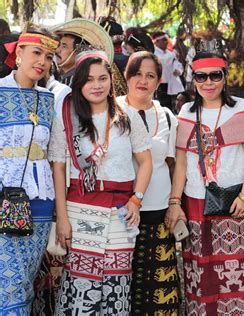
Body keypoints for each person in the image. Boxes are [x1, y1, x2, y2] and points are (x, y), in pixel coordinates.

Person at [49, 50, 152, 314]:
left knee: (118, 281)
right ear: (79, 83)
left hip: (120, 211)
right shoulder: (67, 117)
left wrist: (136, 200)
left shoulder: (127, 115)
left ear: (111, 81)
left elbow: (146, 161)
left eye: (102, 78)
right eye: (89, 80)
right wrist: (62, 217)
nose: (96, 85)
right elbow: (59, 168)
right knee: (80, 283)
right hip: (79, 208)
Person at [166, 49, 244, 314]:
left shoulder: (243, 109)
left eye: (215, 76)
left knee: (238, 271)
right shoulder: (185, 111)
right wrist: (175, 202)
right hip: (195, 200)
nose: (208, 83)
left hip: (234, 201)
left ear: (224, 76)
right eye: (201, 77)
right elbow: (181, 162)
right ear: (193, 79)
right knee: (201, 272)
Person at [116, 51, 180, 315]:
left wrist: (176, 204)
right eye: (137, 74)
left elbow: (175, 164)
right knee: (123, 285)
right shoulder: (112, 110)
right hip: (120, 213)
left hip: (158, 212)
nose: (143, 81)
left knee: (159, 291)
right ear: (126, 77)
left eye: (150, 75)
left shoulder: (166, 116)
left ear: (158, 81)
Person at [0, 28, 58, 315]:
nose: (42, 62)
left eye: (48, 57)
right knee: (8, 281)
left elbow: (53, 154)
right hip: (5, 201)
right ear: (18, 53)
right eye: (36, 53)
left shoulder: (48, 99)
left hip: (41, 204)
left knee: (25, 281)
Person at [152, 31, 185, 112]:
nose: (166, 42)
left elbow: (178, 65)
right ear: (157, 42)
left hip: (172, 83)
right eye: (163, 40)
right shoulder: (153, 54)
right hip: (161, 84)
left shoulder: (171, 53)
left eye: (166, 39)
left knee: (175, 106)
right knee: (164, 107)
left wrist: (178, 71)